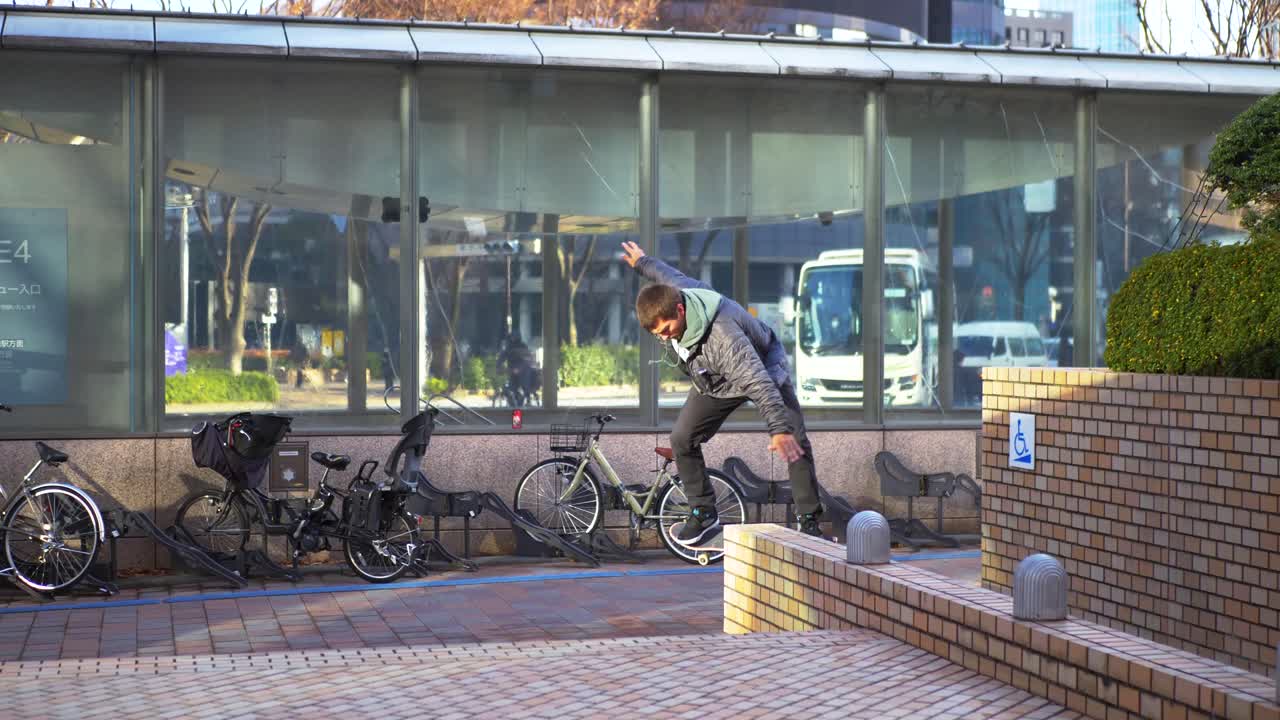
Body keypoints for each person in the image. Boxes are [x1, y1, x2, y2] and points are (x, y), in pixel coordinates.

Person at [621, 241, 824, 544]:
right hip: (715, 381)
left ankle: (808, 520)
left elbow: (758, 382)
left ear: (680, 309)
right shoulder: (677, 292)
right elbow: (665, 274)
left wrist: (778, 430)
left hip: (764, 370)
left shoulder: (723, 338)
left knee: (792, 440)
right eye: (658, 334)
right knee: (681, 439)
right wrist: (641, 262)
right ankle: (703, 512)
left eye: (667, 329)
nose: (665, 336)